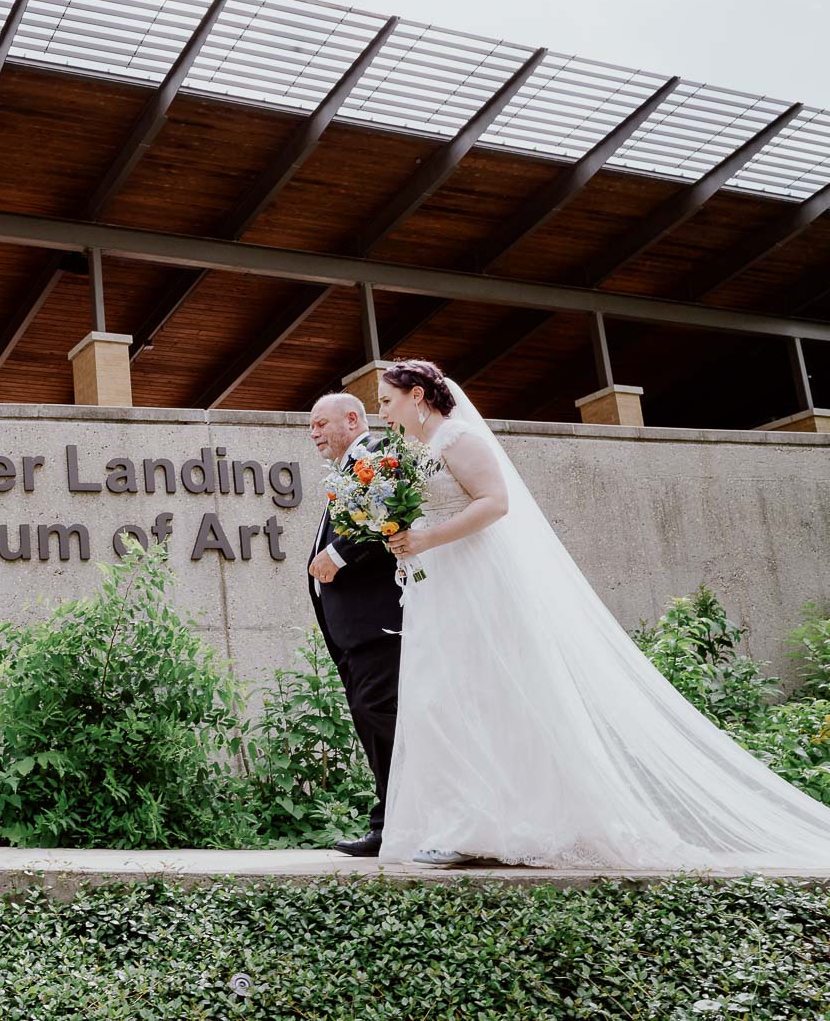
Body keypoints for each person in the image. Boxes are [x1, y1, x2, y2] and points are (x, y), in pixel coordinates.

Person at [376, 359, 830, 868]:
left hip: (476, 582)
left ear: (417, 396)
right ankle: (462, 820)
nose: (382, 412)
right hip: (437, 585)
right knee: (443, 698)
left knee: (486, 692)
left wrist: (430, 536)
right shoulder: (413, 453)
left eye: (386, 402)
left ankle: (489, 827)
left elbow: (496, 502)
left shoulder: (459, 439)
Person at [305, 393, 403, 858]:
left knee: (381, 717)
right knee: (375, 719)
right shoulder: (347, 470)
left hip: (378, 624)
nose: (314, 432)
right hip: (352, 633)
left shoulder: (373, 460)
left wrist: (337, 556)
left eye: (321, 423)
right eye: (311, 426)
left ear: (352, 419)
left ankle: (394, 825)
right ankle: (393, 821)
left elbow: (385, 522)